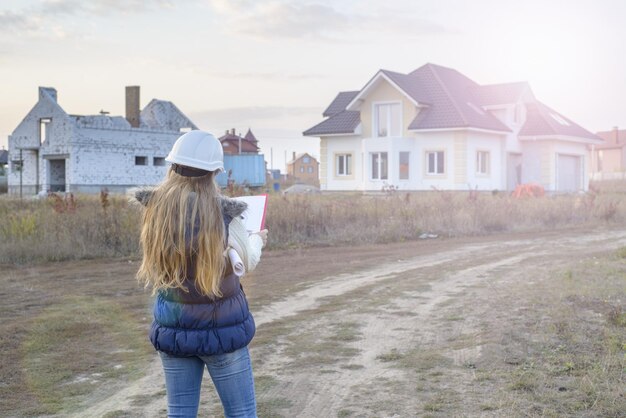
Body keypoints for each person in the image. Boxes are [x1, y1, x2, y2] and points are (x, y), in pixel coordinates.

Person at [133, 130, 267, 418]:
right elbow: (247, 260)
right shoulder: (225, 215)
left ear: (172, 166)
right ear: (213, 173)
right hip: (222, 331)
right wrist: (257, 239)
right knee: (241, 413)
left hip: (173, 330)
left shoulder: (156, 210)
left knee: (179, 412)